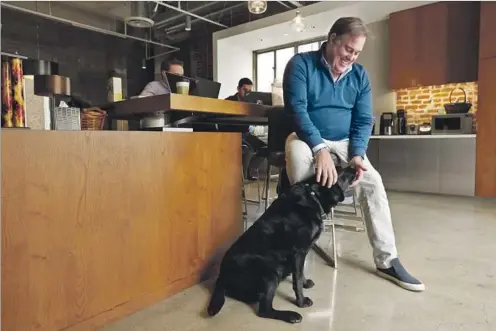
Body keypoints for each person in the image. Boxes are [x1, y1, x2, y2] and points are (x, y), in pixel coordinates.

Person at [282, 17, 425, 292]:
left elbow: (362, 121)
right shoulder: (301, 64)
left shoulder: (360, 75)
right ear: (332, 39)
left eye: (357, 52)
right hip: (306, 137)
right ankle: (297, 243)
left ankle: (387, 259)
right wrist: (319, 148)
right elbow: (297, 110)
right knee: (301, 166)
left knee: (373, 183)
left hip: (346, 141)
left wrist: (358, 154)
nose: (351, 57)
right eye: (348, 49)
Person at [225, 78, 268, 180]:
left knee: (266, 146)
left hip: (247, 132)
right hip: (234, 133)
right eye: (245, 90)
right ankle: (242, 177)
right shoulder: (229, 101)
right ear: (238, 89)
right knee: (248, 148)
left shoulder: (252, 103)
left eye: (249, 91)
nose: (247, 93)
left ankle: (251, 169)